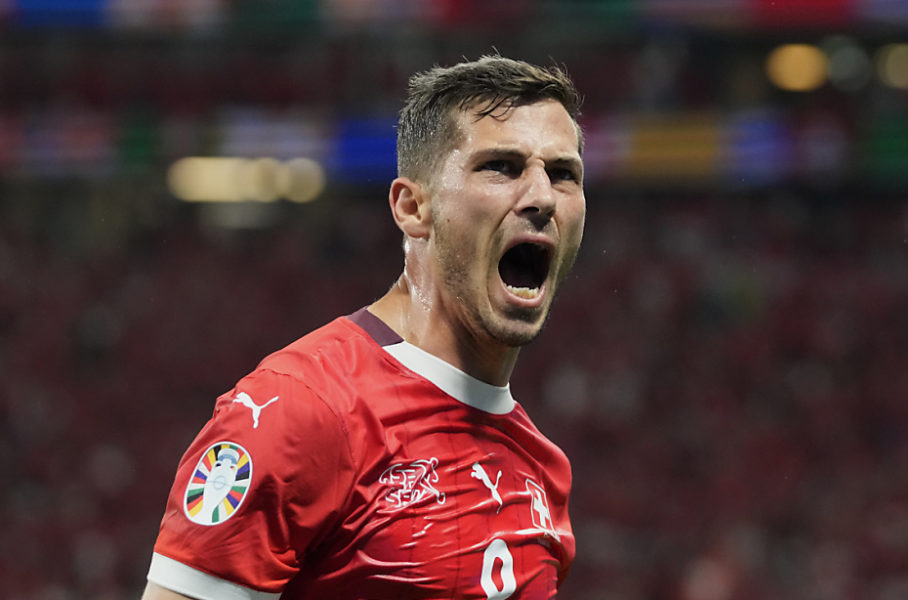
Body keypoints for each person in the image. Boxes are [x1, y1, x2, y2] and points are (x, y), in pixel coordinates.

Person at [141, 54, 586, 600]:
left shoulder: (542, 469)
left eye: (563, 174)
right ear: (413, 207)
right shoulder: (300, 410)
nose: (542, 197)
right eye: (501, 167)